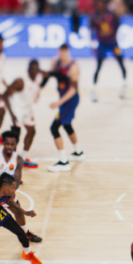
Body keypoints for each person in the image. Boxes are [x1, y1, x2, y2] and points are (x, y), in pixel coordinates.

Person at [0, 129, 41, 244]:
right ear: (3, 143)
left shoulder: (18, 159)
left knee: (18, 211)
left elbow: (17, 180)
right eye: (7, 144)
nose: (9, 146)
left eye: (12, 144)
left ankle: (26, 233)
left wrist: (12, 191)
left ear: (16, 144)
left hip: (6, 191)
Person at [45, 44, 84, 172]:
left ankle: (63, 162)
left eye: (64, 52)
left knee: (54, 127)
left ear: (68, 52)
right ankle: (78, 152)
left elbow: (73, 90)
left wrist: (59, 103)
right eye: (60, 51)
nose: (62, 54)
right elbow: (49, 75)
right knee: (67, 125)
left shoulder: (73, 67)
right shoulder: (55, 62)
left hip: (70, 100)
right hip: (64, 100)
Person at [3, 59, 43, 168]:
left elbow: (46, 76)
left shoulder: (38, 79)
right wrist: (12, 114)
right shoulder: (20, 81)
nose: (34, 71)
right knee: (15, 136)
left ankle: (24, 158)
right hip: (17, 108)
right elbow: (5, 95)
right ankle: (11, 163)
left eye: (36, 69)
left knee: (32, 131)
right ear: (28, 70)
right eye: (32, 69)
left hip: (27, 108)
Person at [90, 0, 127, 101]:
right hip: (102, 43)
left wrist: (113, 35)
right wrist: (93, 44)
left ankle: (124, 84)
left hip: (112, 42)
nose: (100, 5)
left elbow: (118, 24)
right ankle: (94, 89)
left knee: (120, 61)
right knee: (99, 65)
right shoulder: (95, 16)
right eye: (98, 3)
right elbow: (92, 30)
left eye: (102, 3)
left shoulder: (111, 14)